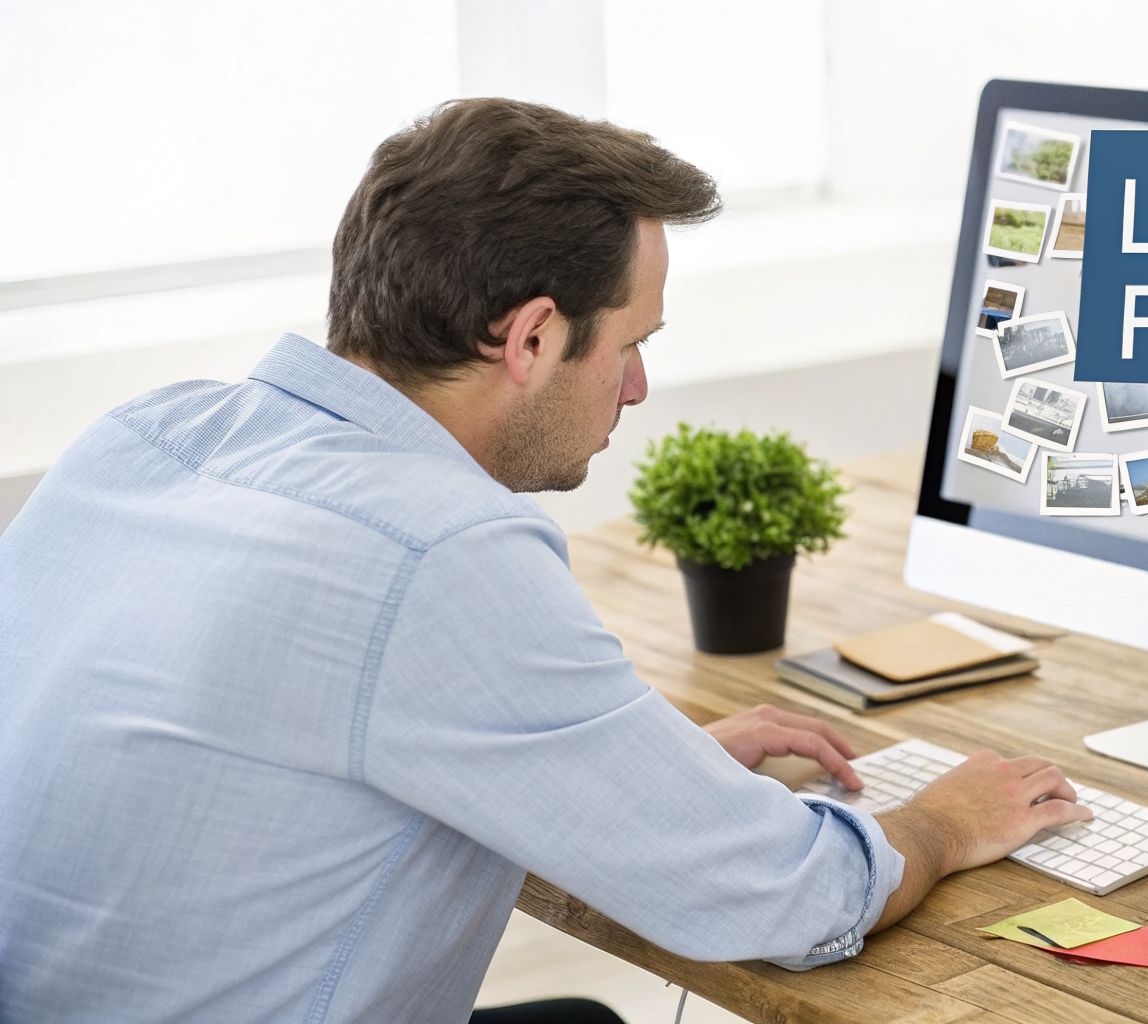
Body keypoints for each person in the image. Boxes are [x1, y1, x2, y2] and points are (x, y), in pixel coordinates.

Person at [0, 98, 1092, 1024]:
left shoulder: (146, 434)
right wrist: (943, 821)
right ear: (528, 338)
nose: (636, 390)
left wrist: (631, 783)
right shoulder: (436, 547)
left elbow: (283, 768)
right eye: (631, 346)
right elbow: (789, 901)